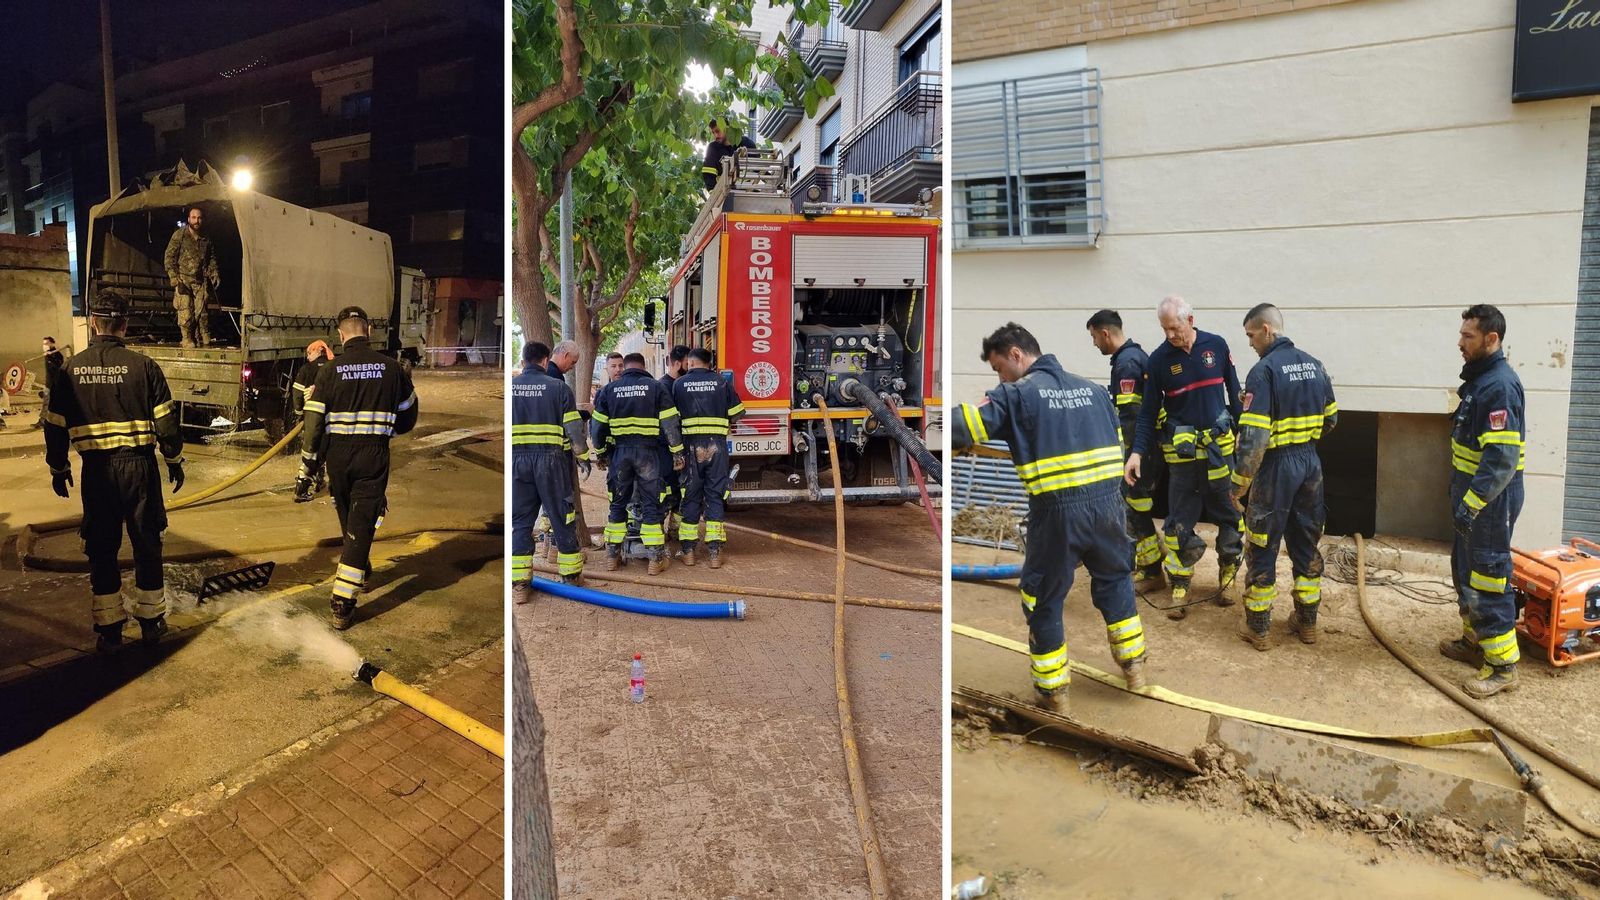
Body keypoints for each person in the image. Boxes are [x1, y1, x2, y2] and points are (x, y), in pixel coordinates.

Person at [952, 323, 1149, 711]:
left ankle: (1054, 694)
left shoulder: (1017, 394)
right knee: (1115, 580)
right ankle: (1135, 669)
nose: (999, 377)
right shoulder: (1094, 390)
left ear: (1015, 355)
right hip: (1110, 507)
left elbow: (964, 427)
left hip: (1058, 513)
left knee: (1041, 595)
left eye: (998, 368)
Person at [42, 292, 185, 651]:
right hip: (139, 470)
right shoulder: (144, 366)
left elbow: (54, 425)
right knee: (147, 543)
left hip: (97, 473)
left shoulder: (69, 370)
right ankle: (152, 623)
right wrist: (172, 459)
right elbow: (167, 424)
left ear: (93, 323)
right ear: (124, 325)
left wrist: (58, 467)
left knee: (102, 549)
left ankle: (109, 630)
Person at [1125, 296, 1245, 620]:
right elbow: (1148, 414)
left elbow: (1235, 394)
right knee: (1178, 523)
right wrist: (1136, 453)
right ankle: (1180, 583)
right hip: (1183, 459)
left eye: (1174, 328)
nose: (1170, 336)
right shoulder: (1159, 360)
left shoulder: (1216, 347)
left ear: (1190, 320)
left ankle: (1228, 575)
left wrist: (1243, 436)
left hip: (1220, 455)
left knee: (1231, 515)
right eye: (1165, 329)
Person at [298, 306, 418, 629]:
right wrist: (387, 427)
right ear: (369, 331)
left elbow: (313, 425)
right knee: (362, 521)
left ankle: (360, 567)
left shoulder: (329, 372)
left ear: (340, 335)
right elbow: (409, 416)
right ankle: (342, 601)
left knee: (352, 520)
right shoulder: (392, 370)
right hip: (373, 455)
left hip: (338, 457)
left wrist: (307, 470)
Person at [1230, 304, 1338, 650]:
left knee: (1262, 544)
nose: (1249, 343)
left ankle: (1258, 628)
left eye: (1250, 335)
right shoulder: (1315, 364)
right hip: (1310, 463)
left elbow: (1254, 439)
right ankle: (1307, 624)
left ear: (1266, 329)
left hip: (1276, 467)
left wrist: (1239, 483)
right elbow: (1332, 419)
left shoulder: (1263, 372)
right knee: (1306, 543)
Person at [1438, 304, 1526, 698]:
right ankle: (1475, 642)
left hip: (1490, 501)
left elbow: (1502, 458)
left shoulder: (1499, 386)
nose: (1460, 342)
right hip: (1473, 498)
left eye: (1468, 336)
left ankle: (1503, 666)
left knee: (1488, 575)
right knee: (1466, 569)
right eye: (1461, 334)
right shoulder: (1481, 380)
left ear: (1491, 339)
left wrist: (1473, 502)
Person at [1088, 310, 1165, 588]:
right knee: (1137, 508)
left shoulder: (1127, 364)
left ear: (1105, 333)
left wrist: (1127, 455)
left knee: (1135, 509)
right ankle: (1151, 561)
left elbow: (1130, 416)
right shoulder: (1133, 357)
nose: (1095, 343)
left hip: (1138, 452)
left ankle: (1153, 570)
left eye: (1094, 337)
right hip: (1147, 449)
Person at [592, 353, 684, 575]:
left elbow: (597, 427)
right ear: (643, 367)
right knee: (651, 504)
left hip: (620, 455)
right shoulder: (656, 387)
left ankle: (612, 557)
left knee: (617, 504)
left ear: (627, 367)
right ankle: (655, 559)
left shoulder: (608, 391)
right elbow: (670, 423)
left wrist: (602, 453)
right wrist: (677, 452)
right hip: (648, 454)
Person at [512, 341, 591, 598]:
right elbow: (574, 432)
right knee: (561, 517)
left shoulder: (510, 388)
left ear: (524, 360)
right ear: (546, 361)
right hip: (551, 462)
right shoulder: (559, 388)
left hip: (517, 462)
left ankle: (521, 586)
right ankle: (570, 577)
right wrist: (584, 457)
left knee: (521, 522)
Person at [673, 348, 744, 568]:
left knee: (691, 496)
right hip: (717, 447)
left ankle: (688, 552)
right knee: (715, 495)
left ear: (691, 363)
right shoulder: (722, 383)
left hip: (690, 448)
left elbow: (672, 418)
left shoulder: (679, 384)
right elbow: (738, 412)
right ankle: (714, 552)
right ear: (709, 363)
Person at [163, 205, 220, 349]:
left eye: (199, 218)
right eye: (194, 217)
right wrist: (174, 276)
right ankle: (187, 339)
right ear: (189, 219)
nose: (197, 221)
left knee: (202, 313)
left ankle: (205, 338)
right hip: (183, 279)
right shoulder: (180, 235)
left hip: (200, 280)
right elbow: (169, 257)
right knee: (185, 311)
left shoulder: (206, 239)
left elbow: (211, 258)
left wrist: (214, 272)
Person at [291, 340, 336, 502]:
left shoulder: (306, 369)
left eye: (309, 353)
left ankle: (301, 490)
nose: (308, 356)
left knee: (311, 452)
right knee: (325, 449)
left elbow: (297, 393)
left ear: (318, 351)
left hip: (312, 416)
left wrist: (299, 412)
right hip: (332, 417)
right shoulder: (335, 367)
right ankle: (320, 482)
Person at [658, 345, 691, 532]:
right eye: (688, 363)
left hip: (681, 448)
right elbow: (669, 425)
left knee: (682, 492)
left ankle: (674, 529)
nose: (690, 366)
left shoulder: (681, 385)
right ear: (677, 364)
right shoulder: (664, 387)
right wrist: (675, 453)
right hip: (667, 451)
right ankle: (661, 531)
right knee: (669, 491)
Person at [700, 118, 757, 191]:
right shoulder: (713, 148)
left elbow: (758, 169)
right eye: (713, 133)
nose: (715, 136)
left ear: (727, 128)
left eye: (717, 131)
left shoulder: (747, 144)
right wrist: (713, 194)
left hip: (747, 191)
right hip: (725, 193)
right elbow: (708, 173)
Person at [32, 336, 66, 429]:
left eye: (46, 344)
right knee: (48, 402)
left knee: (48, 403)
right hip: (48, 383)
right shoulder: (47, 355)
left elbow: (58, 368)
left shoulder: (57, 355)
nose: (44, 346)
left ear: (52, 344)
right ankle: (45, 421)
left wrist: (51, 357)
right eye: (43, 344)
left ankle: (44, 421)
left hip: (54, 384)